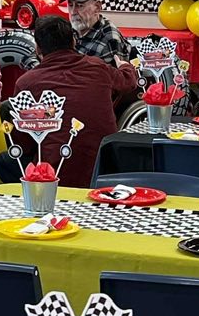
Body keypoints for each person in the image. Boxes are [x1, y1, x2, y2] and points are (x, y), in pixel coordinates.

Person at [10, 15, 137, 187]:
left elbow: (23, 143)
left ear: (38, 49)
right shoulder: (98, 68)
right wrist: (124, 65)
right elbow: (129, 82)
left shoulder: (26, 83)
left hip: (51, 178)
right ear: (73, 41)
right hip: (106, 170)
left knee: (4, 160)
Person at [64, 0, 134, 67]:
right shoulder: (68, 30)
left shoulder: (110, 40)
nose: (73, 12)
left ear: (97, 7)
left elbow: (115, 79)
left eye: (80, 5)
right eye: (70, 5)